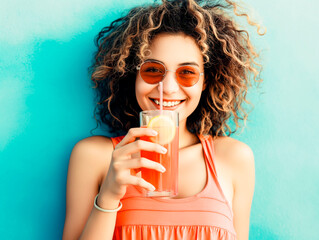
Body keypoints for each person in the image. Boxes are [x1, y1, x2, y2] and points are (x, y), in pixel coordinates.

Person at [62, 0, 264, 239]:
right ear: (132, 75)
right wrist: (108, 195)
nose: (167, 88)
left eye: (186, 73)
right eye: (153, 70)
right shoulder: (94, 156)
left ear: (205, 81)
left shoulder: (234, 159)